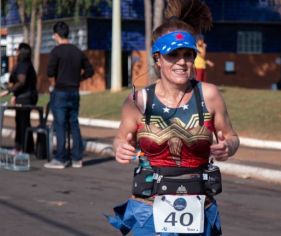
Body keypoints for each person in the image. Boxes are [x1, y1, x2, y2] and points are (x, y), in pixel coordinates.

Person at [108, 0, 239, 235]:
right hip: (148, 210)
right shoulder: (138, 101)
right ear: (158, 59)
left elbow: (231, 136)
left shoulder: (208, 95)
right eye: (173, 55)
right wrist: (119, 148)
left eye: (188, 55)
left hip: (199, 208)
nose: (182, 62)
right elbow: (120, 139)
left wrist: (227, 146)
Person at [44, 21, 94, 169]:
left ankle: (60, 158)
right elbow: (90, 71)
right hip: (74, 91)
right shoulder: (78, 51)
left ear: (56, 35)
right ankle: (77, 158)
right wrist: (79, 78)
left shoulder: (56, 51)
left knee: (60, 125)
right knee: (73, 123)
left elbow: (50, 72)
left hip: (60, 92)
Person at [0, 43, 38, 153]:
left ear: (21, 52)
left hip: (25, 97)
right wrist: (15, 95)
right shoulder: (27, 64)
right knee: (23, 121)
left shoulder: (23, 65)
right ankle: (27, 147)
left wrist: (8, 92)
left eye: (17, 50)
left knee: (22, 121)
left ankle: (20, 146)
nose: (16, 52)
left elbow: (21, 82)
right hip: (26, 96)